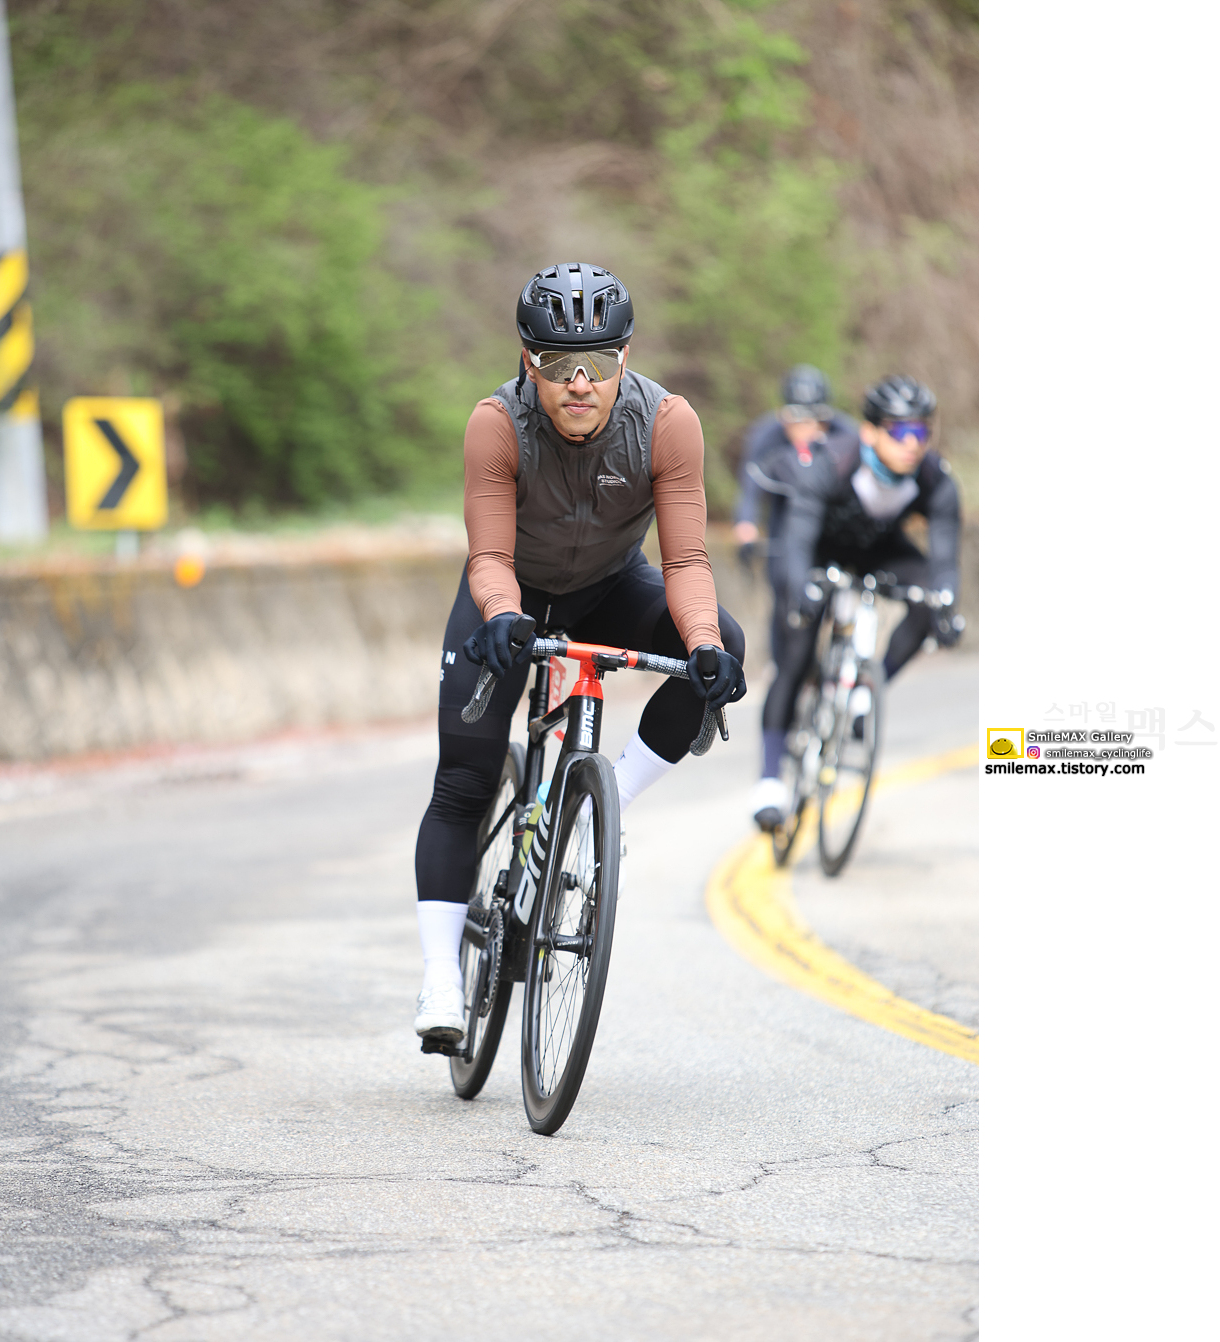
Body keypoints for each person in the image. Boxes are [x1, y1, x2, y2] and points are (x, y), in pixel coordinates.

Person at [413, 262, 748, 1040]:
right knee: (463, 781)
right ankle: (440, 981)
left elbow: (686, 561)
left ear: (623, 357)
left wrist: (701, 643)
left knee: (722, 638)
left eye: (596, 362)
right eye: (558, 363)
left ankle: (609, 800)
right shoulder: (497, 423)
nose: (578, 383)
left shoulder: (667, 422)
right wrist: (502, 614)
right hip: (510, 597)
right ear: (528, 360)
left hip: (607, 587)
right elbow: (489, 556)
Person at [749, 374, 964, 830]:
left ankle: (867, 690)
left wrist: (947, 604)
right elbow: (797, 538)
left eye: (922, 431)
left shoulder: (933, 476)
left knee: (930, 603)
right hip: (820, 549)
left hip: (880, 548)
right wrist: (801, 590)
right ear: (870, 432)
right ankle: (769, 780)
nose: (913, 443)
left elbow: (945, 556)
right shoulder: (833, 462)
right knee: (796, 655)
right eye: (900, 431)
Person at [732, 365, 858, 580]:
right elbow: (750, 487)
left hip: (831, 513)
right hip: (785, 511)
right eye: (797, 418)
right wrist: (746, 527)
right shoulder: (766, 435)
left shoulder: (845, 431)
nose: (808, 428)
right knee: (783, 575)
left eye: (817, 418)